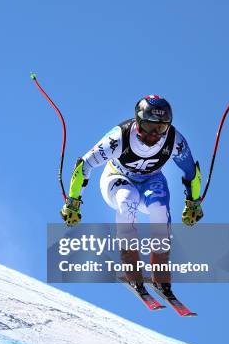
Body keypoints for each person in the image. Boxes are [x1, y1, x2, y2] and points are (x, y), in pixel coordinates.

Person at [60, 94, 203, 296]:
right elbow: (84, 165)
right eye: (149, 126)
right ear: (137, 122)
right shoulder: (119, 137)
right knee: (128, 201)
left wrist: (193, 203)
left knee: (160, 211)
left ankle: (160, 274)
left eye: (161, 128)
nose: (154, 134)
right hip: (117, 178)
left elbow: (191, 172)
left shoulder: (174, 141)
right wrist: (73, 202)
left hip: (151, 180)